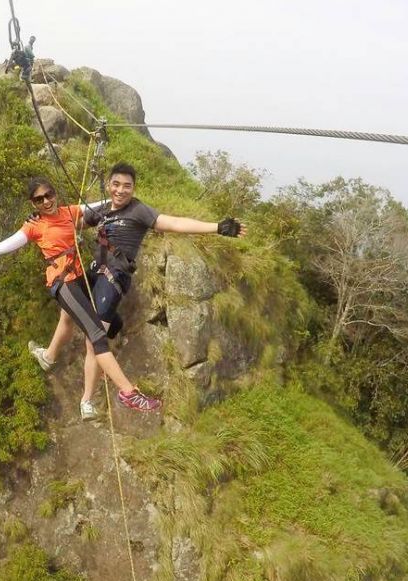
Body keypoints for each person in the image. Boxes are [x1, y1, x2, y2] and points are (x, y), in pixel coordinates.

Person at [27, 161, 245, 408]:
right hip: (94, 274)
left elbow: (174, 223)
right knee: (67, 310)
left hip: (112, 280)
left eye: (127, 186)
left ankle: (88, 401)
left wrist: (217, 227)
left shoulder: (138, 210)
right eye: (116, 184)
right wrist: (41, 216)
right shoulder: (102, 210)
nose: (121, 190)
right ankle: (48, 356)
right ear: (109, 185)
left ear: (133, 188)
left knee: (93, 340)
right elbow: (65, 223)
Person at [0, 175, 161, 419]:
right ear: (33, 204)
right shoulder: (34, 226)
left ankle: (47, 356)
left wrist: (128, 200)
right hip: (63, 283)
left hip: (80, 276)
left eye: (49, 195)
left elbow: (100, 205)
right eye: (39, 199)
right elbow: (4, 245)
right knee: (97, 334)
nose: (46, 201)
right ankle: (127, 392)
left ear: (55, 193)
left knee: (71, 320)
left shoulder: (69, 212)